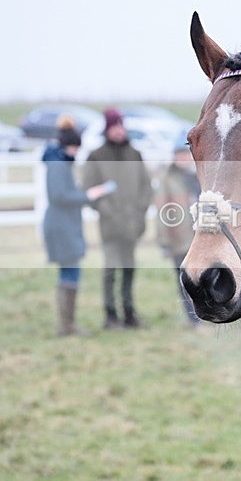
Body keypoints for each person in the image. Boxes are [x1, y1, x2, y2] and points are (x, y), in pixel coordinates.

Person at [82, 108, 153, 329]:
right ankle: (110, 316)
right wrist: (107, 210)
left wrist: (139, 211)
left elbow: (146, 186)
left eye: (121, 125)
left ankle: (129, 314)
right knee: (111, 270)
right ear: (107, 129)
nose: (119, 130)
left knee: (129, 269)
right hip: (110, 226)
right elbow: (89, 190)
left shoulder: (134, 154)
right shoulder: (96, 156)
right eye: (115, 126)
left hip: (132, 224)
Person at [42, 115, 111, 336]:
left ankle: (68, 324)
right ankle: (67, 325)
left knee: (70, 272)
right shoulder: (58, 166)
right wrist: (87, 195)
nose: (77, 152)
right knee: (70, 273)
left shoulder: (59, 163)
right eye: (75, 148)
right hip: (62, 227)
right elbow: (59, 196)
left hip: (64, 225)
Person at [158, 130, 201, 326]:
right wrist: (165, 242)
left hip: (200, 239)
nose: (183, 158)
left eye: (186, 154)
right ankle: (192, 318)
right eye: (179, 154)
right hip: (179, 239)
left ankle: (205, 313)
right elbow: (162, 212)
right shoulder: (167, 179)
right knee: (184, 281)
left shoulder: (198, 177)